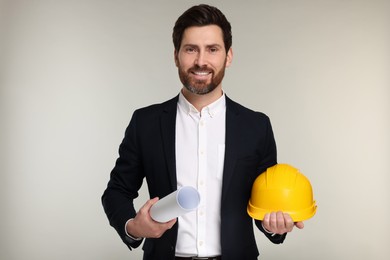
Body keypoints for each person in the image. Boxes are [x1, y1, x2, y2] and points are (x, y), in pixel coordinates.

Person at [102, 4, 304, 260]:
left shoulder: (256, 126)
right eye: (190, 49)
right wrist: (133, 227)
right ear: (176, 55)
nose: (200, 61)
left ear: (228, 56)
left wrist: (275, 226)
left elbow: (266, 204)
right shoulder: (146, 123)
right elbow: (116, 192)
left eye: (212, 49)